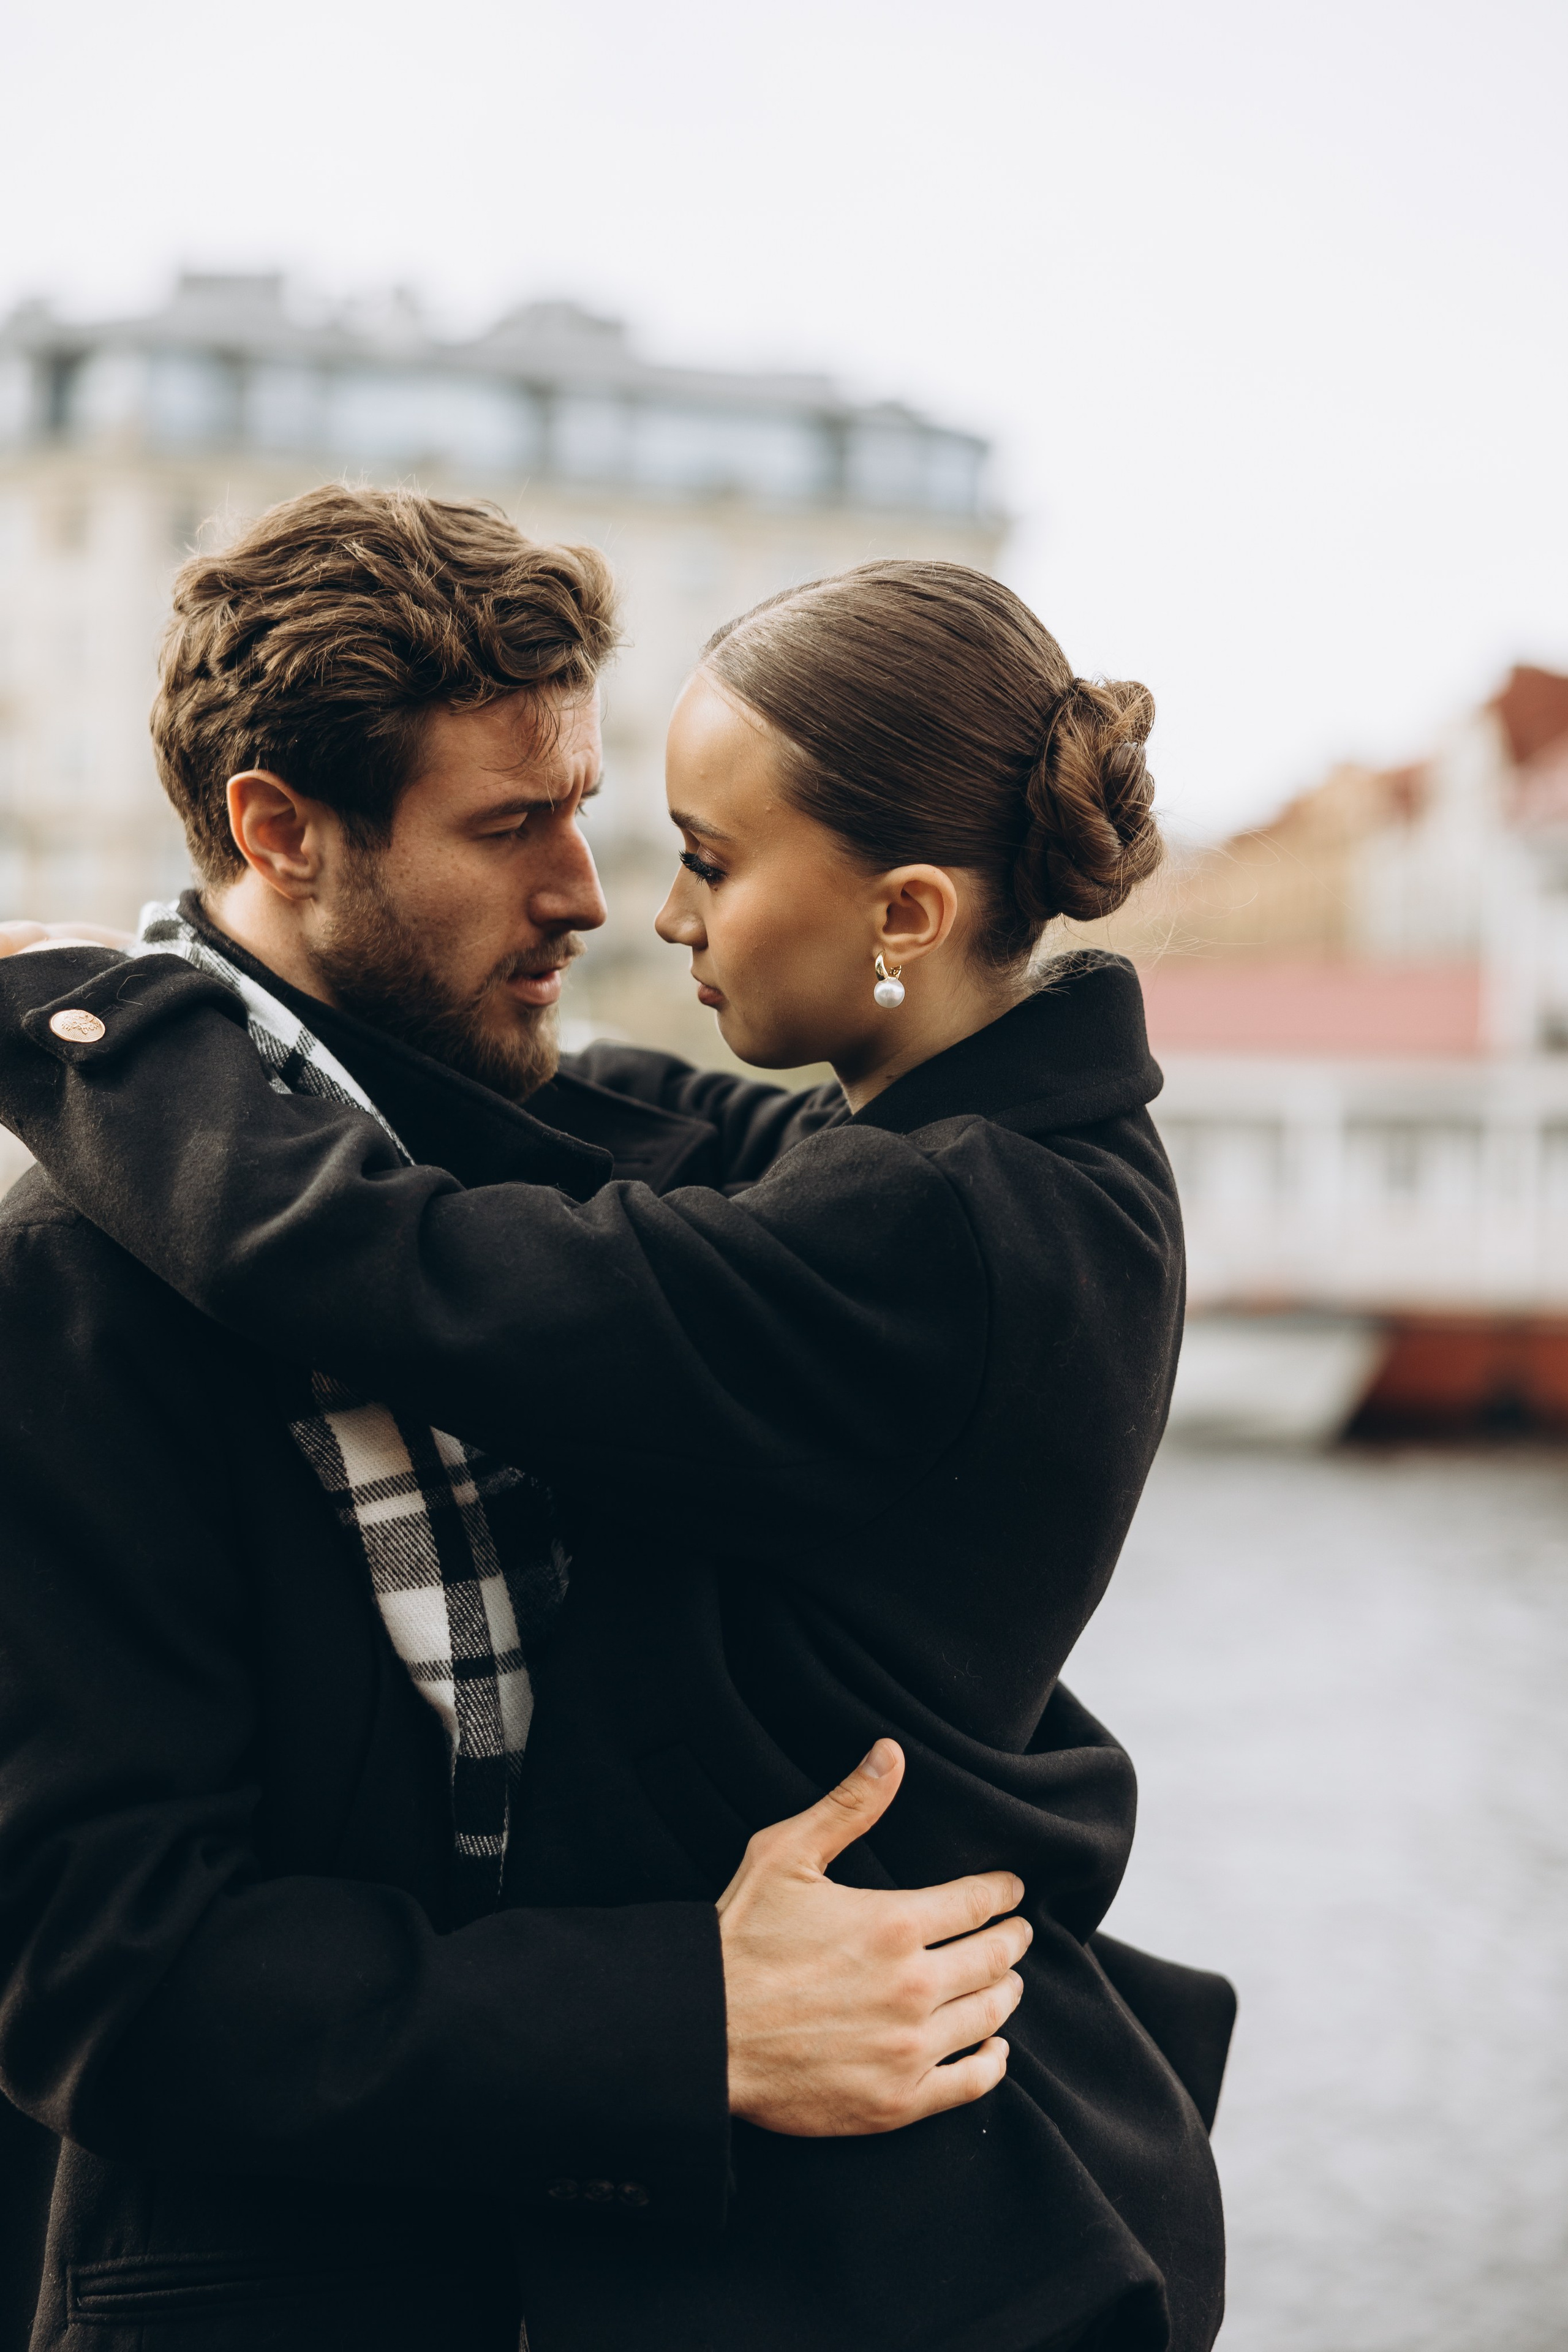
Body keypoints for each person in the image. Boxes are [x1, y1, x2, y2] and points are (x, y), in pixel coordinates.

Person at [0, 543, 1235, 2351]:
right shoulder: (85, 1279)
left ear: (900, 909)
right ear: (278, 832)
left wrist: (91, 1025)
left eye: (630, 827)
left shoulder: (921, 1220)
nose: (600, 898)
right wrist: (692, 2015)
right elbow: (92, 1977)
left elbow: (434, 1253)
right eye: (518, 826)